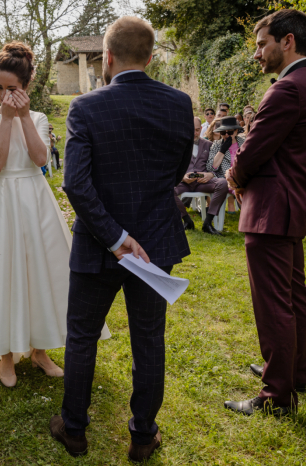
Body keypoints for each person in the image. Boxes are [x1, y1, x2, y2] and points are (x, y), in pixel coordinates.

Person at [49, 17, 192, 462]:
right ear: (150, 57)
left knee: (82, 337)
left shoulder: (85, 107)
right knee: (148, 339)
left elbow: (75, 183)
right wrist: (132, 232)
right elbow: (176, 170)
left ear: (106, 57)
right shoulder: (179, 103)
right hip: (155, 240)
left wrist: (114, 237)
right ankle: (143, 434)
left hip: (97, 241)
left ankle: (74, 429)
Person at [0, 42, 103, 390]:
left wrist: (24, 116)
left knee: (39, 270)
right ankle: (6, 354)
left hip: (33, 199)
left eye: (11, 89)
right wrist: (8, 119)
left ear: (25, 87)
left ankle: (39, 350)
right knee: (2, 271)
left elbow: (41, 159)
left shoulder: (39, 118)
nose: (3, 95)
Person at [224, 9, 306, 416]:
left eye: (261, 44)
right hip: (295, 203)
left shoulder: (286, 88)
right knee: (294, 294)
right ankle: (292, 371)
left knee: (274, 304)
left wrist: (234, 175)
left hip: (272, 207)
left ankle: (276, 396)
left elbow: (253, 148)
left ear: (287, 41)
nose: (257, 54)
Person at [175, 117, 225, 235]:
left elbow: (216, 167)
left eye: (197, 130)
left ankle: (208, 222)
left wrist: (210, 174)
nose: (195, 133)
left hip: (202, 182)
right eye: (192, 130)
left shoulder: (209, 145)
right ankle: (186, 219)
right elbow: (171, 167)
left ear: (201, 129)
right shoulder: (178, 145)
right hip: (184, 183)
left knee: (223, 183)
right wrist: (182, 177)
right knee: (165, 189)